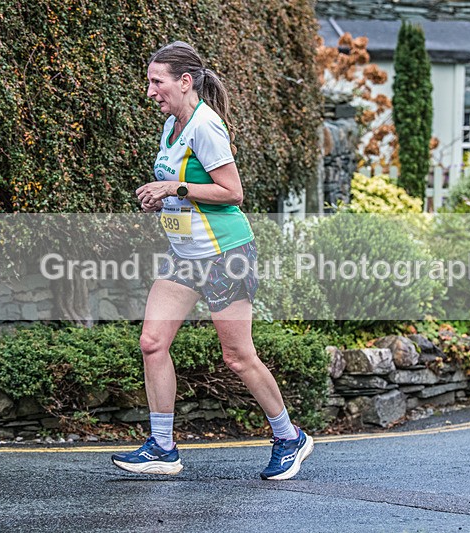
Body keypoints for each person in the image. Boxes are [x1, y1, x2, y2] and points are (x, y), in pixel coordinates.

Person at [110, 41, 313, 479]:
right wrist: (161, 198)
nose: (149, 91)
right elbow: (182, 187)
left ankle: (288, 437)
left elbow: (232, 193)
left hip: (226, 254)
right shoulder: (172, 125)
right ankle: (163, 447)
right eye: (149, 81)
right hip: (184, 255)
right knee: (152, 343)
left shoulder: (206, 126)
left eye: (156, 81)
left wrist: (173, 190)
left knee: (237, 356)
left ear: (185, 82)